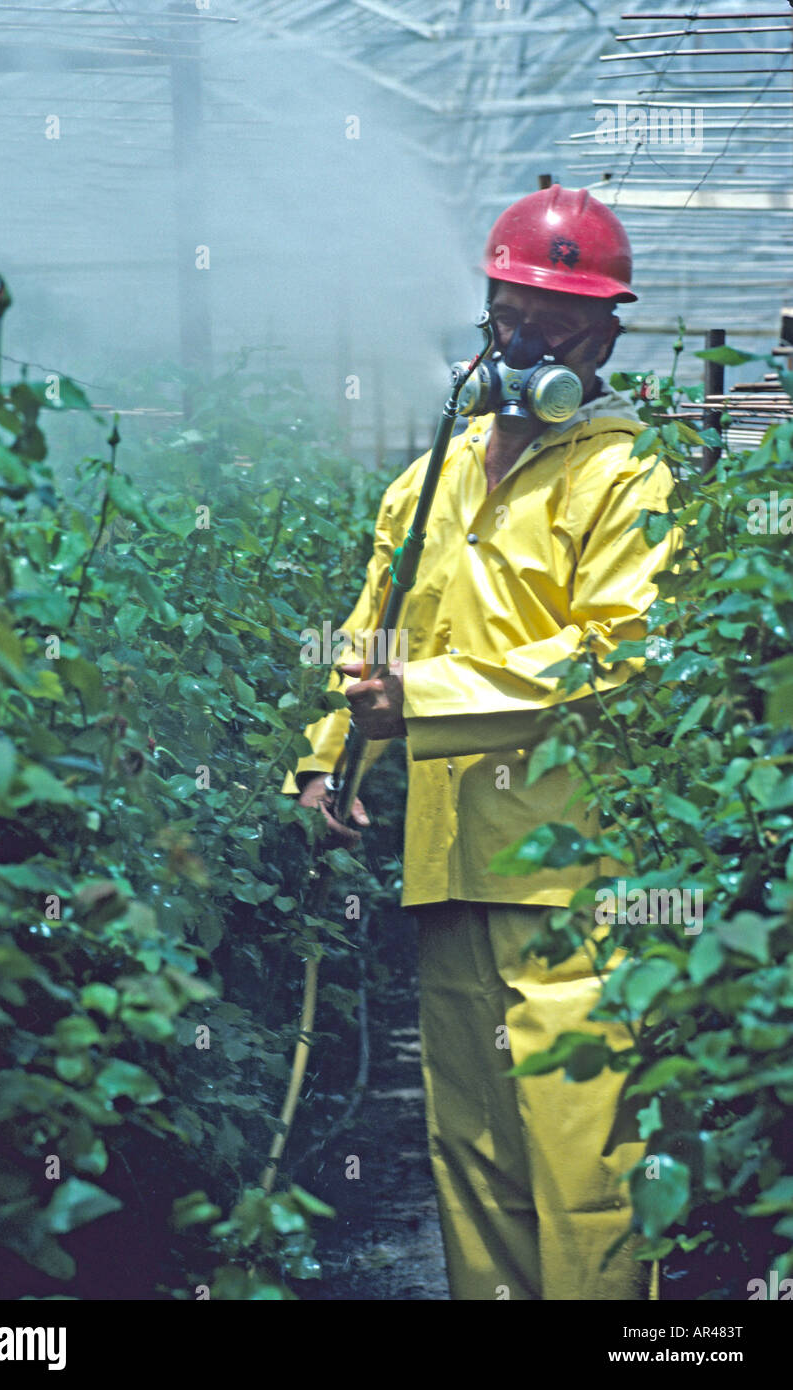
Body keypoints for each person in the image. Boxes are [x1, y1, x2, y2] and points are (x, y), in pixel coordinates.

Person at [281, 184, 680, 1300]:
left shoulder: (625, 475)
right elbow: (371, 631)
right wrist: (324, 754)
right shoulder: (434, 476)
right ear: (487, 315)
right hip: (448, 860)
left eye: (564, 322)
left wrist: (422, 699)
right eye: (516, 312)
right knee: (472, 1151)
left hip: (569, 870)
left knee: (580, 1156)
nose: (533, 339)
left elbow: (615, 658)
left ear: (605, 337)